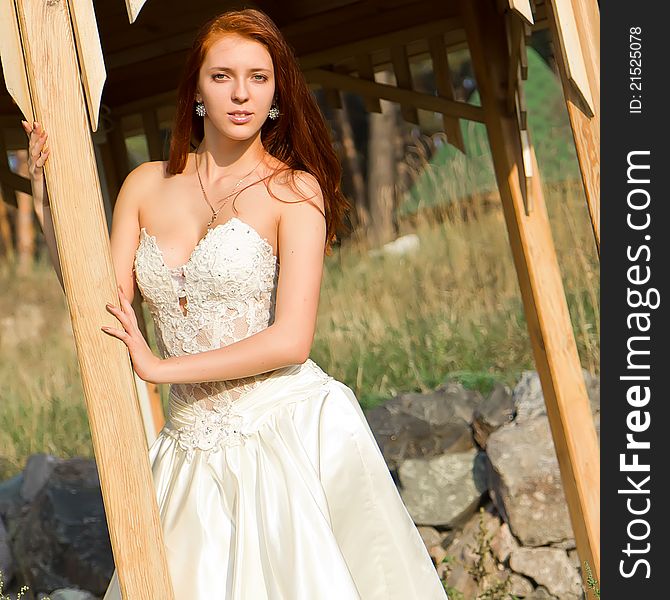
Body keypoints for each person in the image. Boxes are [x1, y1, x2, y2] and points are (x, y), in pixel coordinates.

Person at [23, 8, 449, 600]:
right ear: (196, 89)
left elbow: (291, 339)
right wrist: (47, 194)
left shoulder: (293, 190)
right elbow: (101, 304)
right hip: (188, 445)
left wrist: (159, 368)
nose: (242, 93)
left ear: (278, 92)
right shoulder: (145, 185)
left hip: (286, 427)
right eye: (222, 76)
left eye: (259, 77)